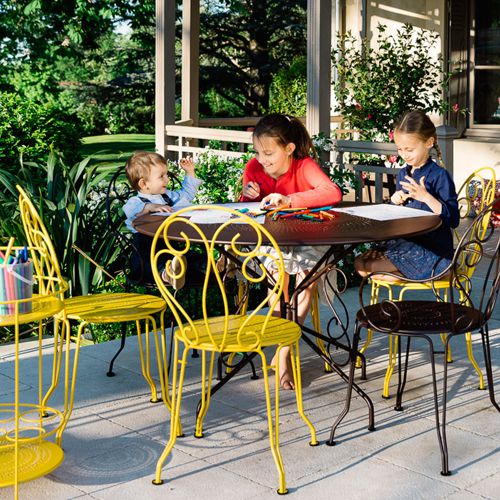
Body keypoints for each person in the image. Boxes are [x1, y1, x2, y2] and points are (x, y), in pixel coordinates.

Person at [241, 113, 342, 390]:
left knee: (306, 283)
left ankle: (283, 352)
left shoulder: (304, 166)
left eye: (269, 153)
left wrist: (290, 200)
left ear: (289, 149)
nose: (262, 159)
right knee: (277, 287)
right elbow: (246, 208)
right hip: (272, 240)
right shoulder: (254, 167)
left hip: (307, 238)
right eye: (258, 152)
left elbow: (332, 192)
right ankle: (280, 344)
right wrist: (247, 196)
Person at [355, 110, 459, 282]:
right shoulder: (404, 173)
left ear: (429, 142)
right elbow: (401, 216)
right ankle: (412, 275)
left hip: (431, 248)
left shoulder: (439, 176)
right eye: (400, 149)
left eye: (409, 149)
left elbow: (453, 219)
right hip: (406, 242)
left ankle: (435, 271)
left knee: (372, 267)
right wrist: (395, 202)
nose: (404, 155)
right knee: (360, 263)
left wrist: (426, 197)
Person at [123, 151, 203, 286]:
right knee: (152, 262)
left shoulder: (167, 196)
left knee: (190, 257)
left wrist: (190, 172)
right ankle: (167, 275)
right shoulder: (136, 201)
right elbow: (129, 211)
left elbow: (186, 195)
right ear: (143, 184)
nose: (167, 179)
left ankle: (218, 266)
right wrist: (149, 207)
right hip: (147, 251)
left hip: (169, 245)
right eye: (162, 176)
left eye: (166, 174)